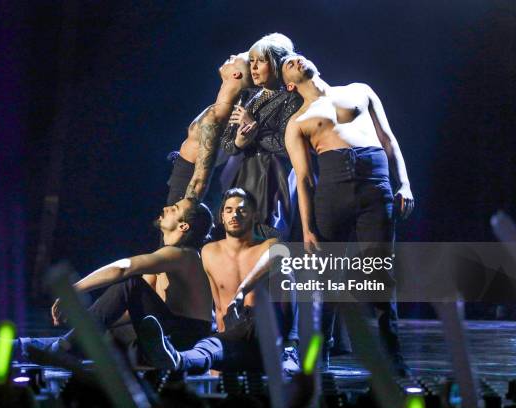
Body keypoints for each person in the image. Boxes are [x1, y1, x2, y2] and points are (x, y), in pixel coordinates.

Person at [281, 54, 414, 375]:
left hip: (375, 185)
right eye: (288, 63)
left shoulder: (360, 90)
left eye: (297, 57)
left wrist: (405, 184)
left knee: (381, 273)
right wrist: (308, 228)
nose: (295, 60)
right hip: (333, 190)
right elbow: (303, 178)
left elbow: (388, 139)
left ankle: (393, 359)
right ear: (289, 84)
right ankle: (318, 354)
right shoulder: (298, 121)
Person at [0, 198, 215, 357]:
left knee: (130, 283)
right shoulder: (176, 259)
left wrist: (73, 291)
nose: (166, 208)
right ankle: (2, 346)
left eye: (174, 209)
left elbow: (123, 268)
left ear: (183, 227)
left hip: (184, 342)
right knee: (95, 337)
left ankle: (60, 347)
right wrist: (95, 323)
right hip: (170, 334)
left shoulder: (181, 255)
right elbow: (134, 310)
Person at [139, 188, 297, 373]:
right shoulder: (209, 252)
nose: (234, 215)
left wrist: (243, 290)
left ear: (254, 216)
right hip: (234, 339)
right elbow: (220, 309)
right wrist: (217, 370)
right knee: (213, 349)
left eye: (241, 210)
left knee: (287, 275)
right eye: (228, 210)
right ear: (221, 216)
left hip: (265, 330)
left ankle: (289, 348)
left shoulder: (269, 245)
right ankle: (178, 360)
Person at [220, 33, 303, 240]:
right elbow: (227, 142)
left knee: (265, 231)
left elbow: (287, 146)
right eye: (252, 61)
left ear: (276, 65)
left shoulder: (291, 99)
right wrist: (239, 142)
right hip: (244, 173)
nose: (253, 67)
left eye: (261, 61)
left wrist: (254, 131)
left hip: (272, 174)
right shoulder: (248, 96)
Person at [167, 53, 253, 205]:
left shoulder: (218, 116)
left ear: (236, 74)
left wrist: (183, 216)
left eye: (235, 58)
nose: (231, 55)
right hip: (181, 180)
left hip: (184, 191)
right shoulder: (225, 109)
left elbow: (200, 180)